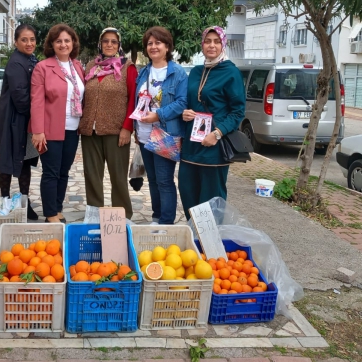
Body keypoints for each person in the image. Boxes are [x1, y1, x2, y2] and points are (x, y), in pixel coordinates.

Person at [179, 26, 246, 218]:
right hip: (191, 145)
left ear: (223, 44)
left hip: (214, 146)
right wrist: (185, 114)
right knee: (187, 192)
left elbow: (237, 112)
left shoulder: (231, 72)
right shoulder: (196, 71)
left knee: (211, 200)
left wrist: (217, 134)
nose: (212, 45)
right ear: (202, 44)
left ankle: (210, 243)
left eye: (217, 41)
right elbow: (190, 102)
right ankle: (193, 239)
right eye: (208, 41)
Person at [79, 27, 138, 219]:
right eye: (106, 41)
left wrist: (127, 128)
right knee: (92, 176)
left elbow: (133, 100)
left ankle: (122, 217)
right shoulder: (90, 67)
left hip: (116, 131)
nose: (110, 45)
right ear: (100, 44)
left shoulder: (128, 68)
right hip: (90, 131)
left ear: (119, 45)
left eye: (114, 41)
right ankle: (94, 215)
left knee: (118, 177)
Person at [30, 23, 85, 223]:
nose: (63, 44)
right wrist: (38, 131)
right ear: (52, 44)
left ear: (73, 43)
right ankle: (50, 214)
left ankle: (58, 208)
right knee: (51, 172)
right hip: (50, 129)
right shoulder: (43, 67)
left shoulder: (77, 66)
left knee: (64, 171)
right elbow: (36, 101)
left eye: (67, 41)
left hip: (72, 128)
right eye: (58, 41)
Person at [134, 26, 188, 225]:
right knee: (153, 180)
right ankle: (156, 217)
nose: (153, 47)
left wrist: (158, 114)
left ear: (167, 46)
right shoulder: (144, 72)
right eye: (150, 43)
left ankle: (166, 221)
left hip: (166, 134)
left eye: (158, 43)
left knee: (165, 181)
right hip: (144, 134)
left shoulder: (178, 73)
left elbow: (182, 103)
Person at [0, 24, 40, 221]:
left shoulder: (30, 59)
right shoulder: (16, 63)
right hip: (14, 119)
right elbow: (20, 97)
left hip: (25, 120)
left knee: (24, 160)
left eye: (32, 39)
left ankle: (24, 201)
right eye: (24, 39)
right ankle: (5, 200)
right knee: (7, 159)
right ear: (16, 41)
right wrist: (36, 112)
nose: (29, 43)